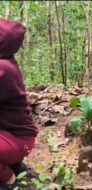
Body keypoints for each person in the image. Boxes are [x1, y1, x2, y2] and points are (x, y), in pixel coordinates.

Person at [0, 19, 38, 188]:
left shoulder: (3, 68)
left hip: (17, 139)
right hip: (9, 136)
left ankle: (8, 178)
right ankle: (10, 164)